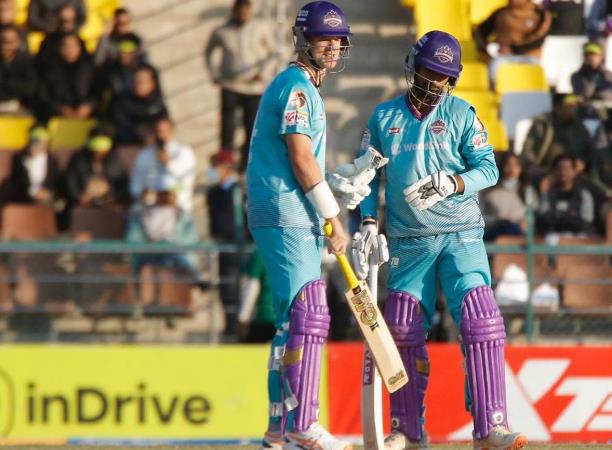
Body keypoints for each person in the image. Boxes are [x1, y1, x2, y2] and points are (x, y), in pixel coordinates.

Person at [345, 31, 528, 449]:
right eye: (427, 71)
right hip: (410, 242)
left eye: (441, 76)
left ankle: (491, 426)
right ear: (413, 65)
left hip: (462, 234)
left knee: (481, 319)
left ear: (453, 79)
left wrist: (453, 182)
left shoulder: (461, 113)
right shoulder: (384, 117)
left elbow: (489, 169)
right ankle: (408, 430)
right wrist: (369, 221)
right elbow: (366, 176)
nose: (432, 82)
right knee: (403, 328)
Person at [246, 2, 366, 449]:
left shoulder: (296, 86)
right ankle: (304, 423)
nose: (332, 47)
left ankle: (277, 433)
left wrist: (334, 188)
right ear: (303, 39)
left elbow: (300, 160)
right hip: (286, 210)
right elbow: (300, 159)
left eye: (338, 40)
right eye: (323, 38)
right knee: (310, 311)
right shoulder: (297, 87)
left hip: (282, 208)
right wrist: (333, 216)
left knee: (289, 324)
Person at [205, 0, 276, 171]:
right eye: (240, 11)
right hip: (231, 84)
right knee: (227, 126)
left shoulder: (260, 28)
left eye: (246, 11)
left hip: (254, 87)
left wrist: (263, 72)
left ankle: (246, 164)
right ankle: (225, 162)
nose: (243, 15)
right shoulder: (222, 31)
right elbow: (208, 53)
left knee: (251, 125)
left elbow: (273, 53)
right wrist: (214, 75)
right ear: (235, 11)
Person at [206, 149, 243, 337]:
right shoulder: (213, 192)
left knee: (238, 287)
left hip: (240, 246)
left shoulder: (240, 191)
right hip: (223, 245)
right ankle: (230, 327)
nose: (212, 171)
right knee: (226, 288)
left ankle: (240, 326)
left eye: (216, 167)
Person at [130, 116, 196, 212]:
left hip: (177, 209)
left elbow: (187, 179)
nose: (161, 135)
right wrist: (142, 195)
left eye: (165, 131)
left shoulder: (183, 152)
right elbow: (136, 183)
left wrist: (169, 164)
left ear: (172, 131)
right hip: (150, 210)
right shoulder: (145, 155)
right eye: (159, 131)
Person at [522, 93, 592, 182]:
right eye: (569, 106)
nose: (573, 109)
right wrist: (532, 165)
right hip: (545, 169)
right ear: (557, 107)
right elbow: (528, 149)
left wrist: (582, 162)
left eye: (574, 106)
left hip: (571, 171)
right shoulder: (542, 125)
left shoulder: (579, 127)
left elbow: (588, 151)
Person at [474, 0, 552, 80]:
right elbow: (480, 32)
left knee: (534, 72)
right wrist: (486, 49)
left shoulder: (541, 14)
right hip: (503, 57)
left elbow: (538, 39)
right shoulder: (500, 13)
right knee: (493, 67)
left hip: (529, 56)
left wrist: (512, 48)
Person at [537, 154, 595, 235]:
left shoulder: (583, 195)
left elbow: (587, 221)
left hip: (577, 237)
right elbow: (544, 216)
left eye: (567, 169)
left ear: (574, 172)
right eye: (559, 169)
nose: (563, 172)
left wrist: (567, 220)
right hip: (554, 236)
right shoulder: (548, 195)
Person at [482, 153, 529, 241]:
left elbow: (533, 216)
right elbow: (481, 217)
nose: (512, 168)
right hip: (496, 235)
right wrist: (497, 219)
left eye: (516, 165)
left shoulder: (528, 192)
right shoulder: (491, 192)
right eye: (508, 165)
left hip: (520, 237)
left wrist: (525, 222)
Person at [0, 24, 37, 113]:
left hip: (21, 105)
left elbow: (29, 87)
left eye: (10, 42)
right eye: (2, 41)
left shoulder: (29, 62)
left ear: (18, 42)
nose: (5, 46)